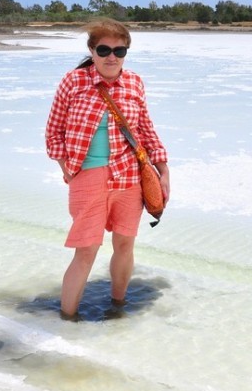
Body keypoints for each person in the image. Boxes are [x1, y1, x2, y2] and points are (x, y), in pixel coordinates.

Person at [45, 18, 169, 320]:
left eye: (119, 50)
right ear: (92, 50)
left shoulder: (134, 83)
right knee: (86, 250)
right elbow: (53, 132)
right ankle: (67, 319)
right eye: (103, 49)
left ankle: (118, 307)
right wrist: (68, 169)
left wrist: (163, 169)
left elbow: (145, 129)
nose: (111, 56)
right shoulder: (73, 82)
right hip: (88, 178)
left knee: (125, 243)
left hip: (129, 178)